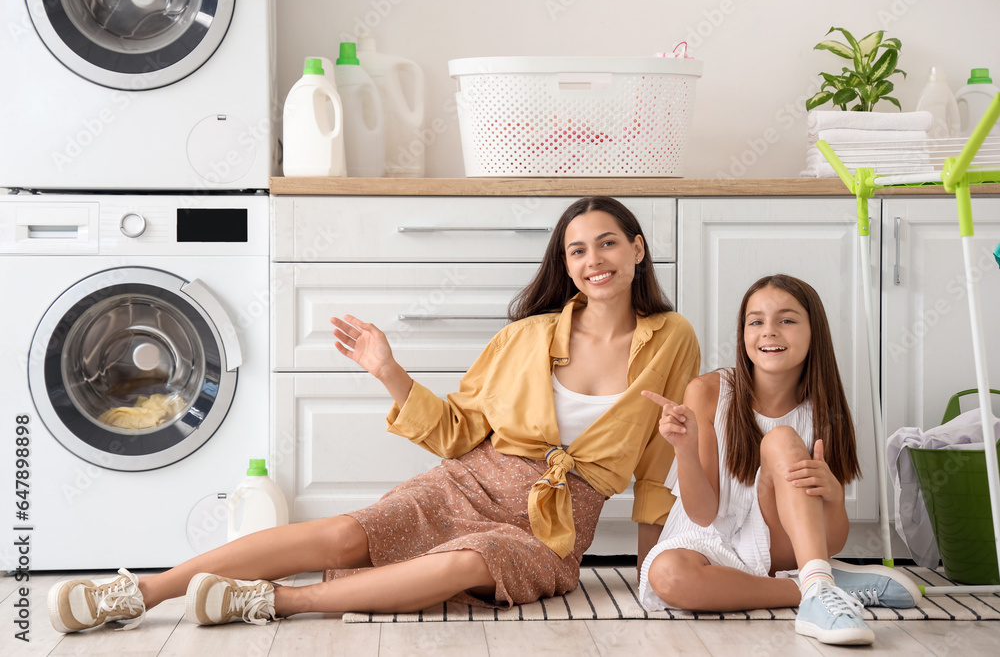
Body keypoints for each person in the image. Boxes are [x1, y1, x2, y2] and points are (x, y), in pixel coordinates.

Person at [48, 196, 700, 633]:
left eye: (607, 243)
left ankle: (274, 600)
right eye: (578, 250)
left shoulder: (672, 337)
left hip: (552, 523)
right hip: (470, 480)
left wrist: (650, 572)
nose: (594, 261)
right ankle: (142, 592)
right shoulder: (525, 338)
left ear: (638, 249)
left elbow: (657, 459)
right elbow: (456, 433)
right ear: (566, 264)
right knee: (341, 534)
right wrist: (390, 370)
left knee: (472, 563)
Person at [636, 274, 921, 647]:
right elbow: (704, 514)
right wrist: (685, 450)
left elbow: (831, 540)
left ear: (813, 331)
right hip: (709, 542)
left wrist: (833, 495)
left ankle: (816, 579)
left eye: (786, 320)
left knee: (781, 440)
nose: (769, 331)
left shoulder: (824, 409)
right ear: (743, 335)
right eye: (756, 322)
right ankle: (815, 587)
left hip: (779, 547)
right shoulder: (708, 392)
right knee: (669, 576)